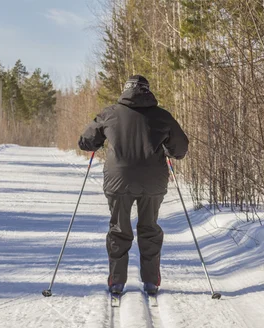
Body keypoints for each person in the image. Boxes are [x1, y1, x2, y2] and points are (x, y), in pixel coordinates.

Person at [78, 75, 189, 295]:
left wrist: (99, 141)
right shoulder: (162, 116)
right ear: (148, 91)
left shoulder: (109, 113)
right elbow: (181, 149)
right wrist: (167, 148)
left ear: (125, 90)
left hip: (118, 179)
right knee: (149, 228)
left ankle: (117, 282)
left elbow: (86, 141)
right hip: (153, 181)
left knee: (119, 229)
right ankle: (150, 282)